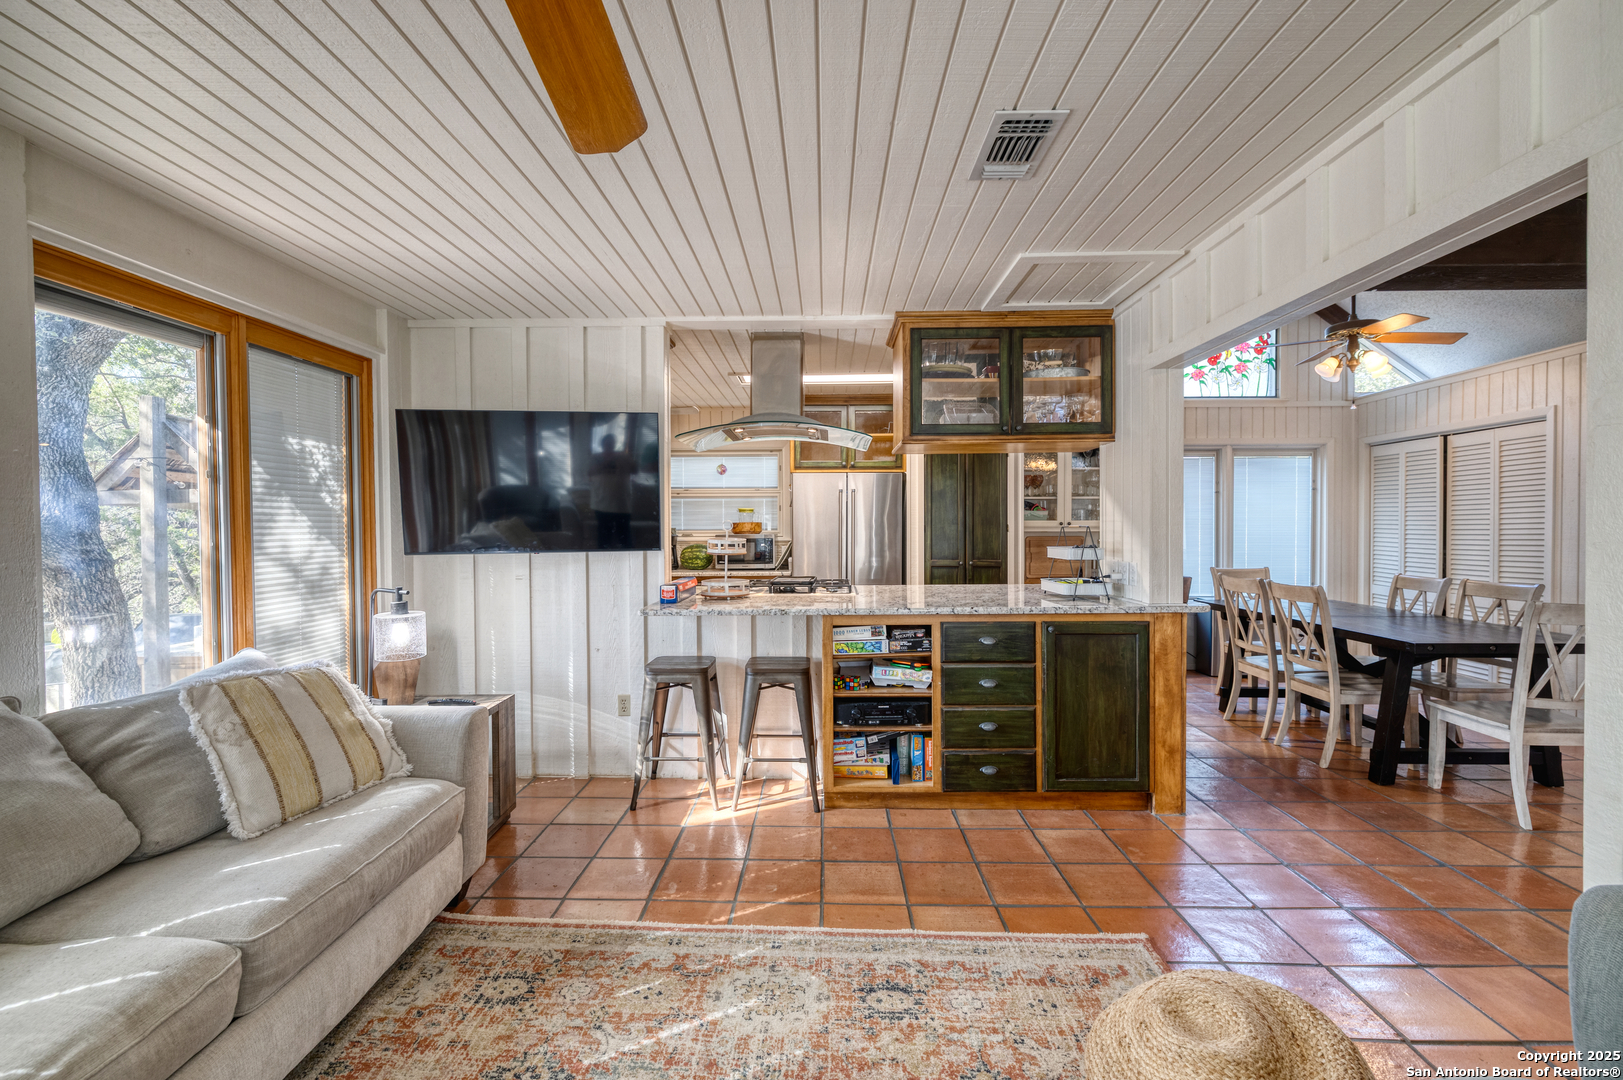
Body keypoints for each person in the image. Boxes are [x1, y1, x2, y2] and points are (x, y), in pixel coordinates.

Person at [588, 433, 634, 548]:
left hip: (622, 503)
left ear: (614, 444)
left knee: (624, 536)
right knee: (604, 537)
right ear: (602, 444)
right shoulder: (595, 457)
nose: (609, 445)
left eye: (611, 442)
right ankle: (602, 561)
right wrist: (606, 462)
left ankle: (631, 561)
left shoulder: (624, 456)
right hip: (601, 503)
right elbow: (589, 473)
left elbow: (636, 470)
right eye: (607, 442)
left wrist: (626, 459)